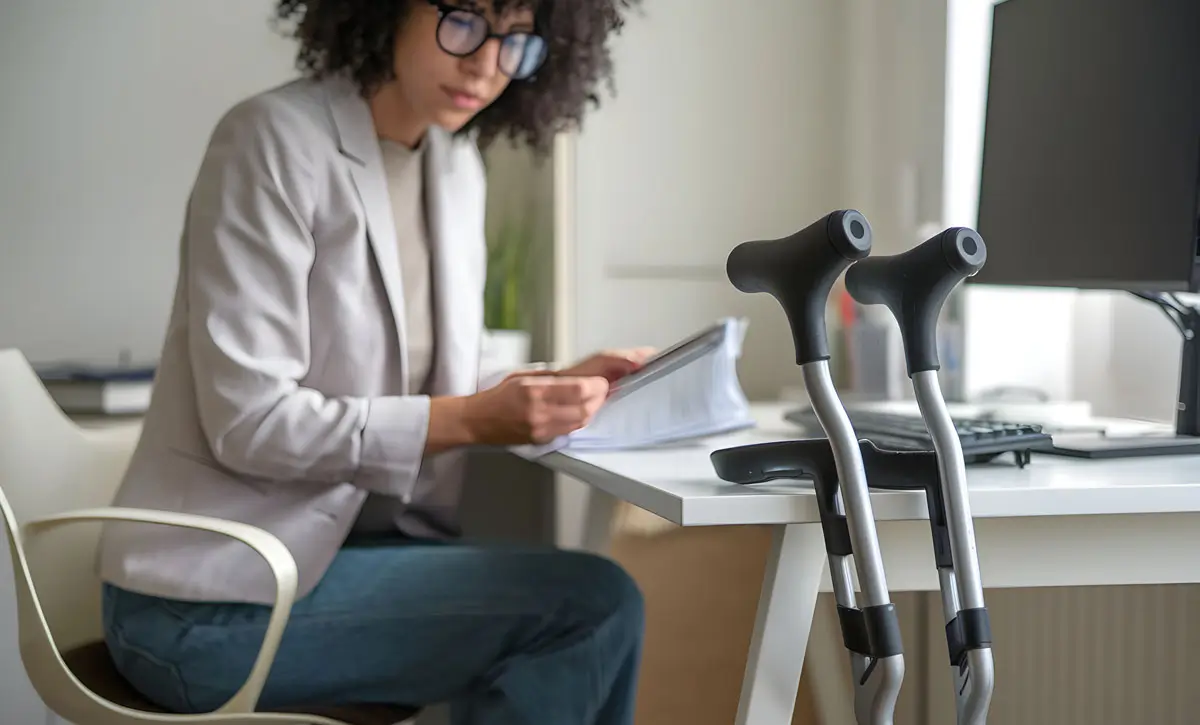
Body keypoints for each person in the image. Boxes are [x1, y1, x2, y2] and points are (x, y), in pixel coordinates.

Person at [95, 0, 647, 723]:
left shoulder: (454, 167)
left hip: (344, 556)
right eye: (466, 21)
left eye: (517, 40)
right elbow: (251, 422)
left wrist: (556, 383)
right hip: (207, 606)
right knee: (590, 606)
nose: (486, 63)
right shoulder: (272, 140)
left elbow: (440, 375)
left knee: (579, 607)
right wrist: (475, 419)